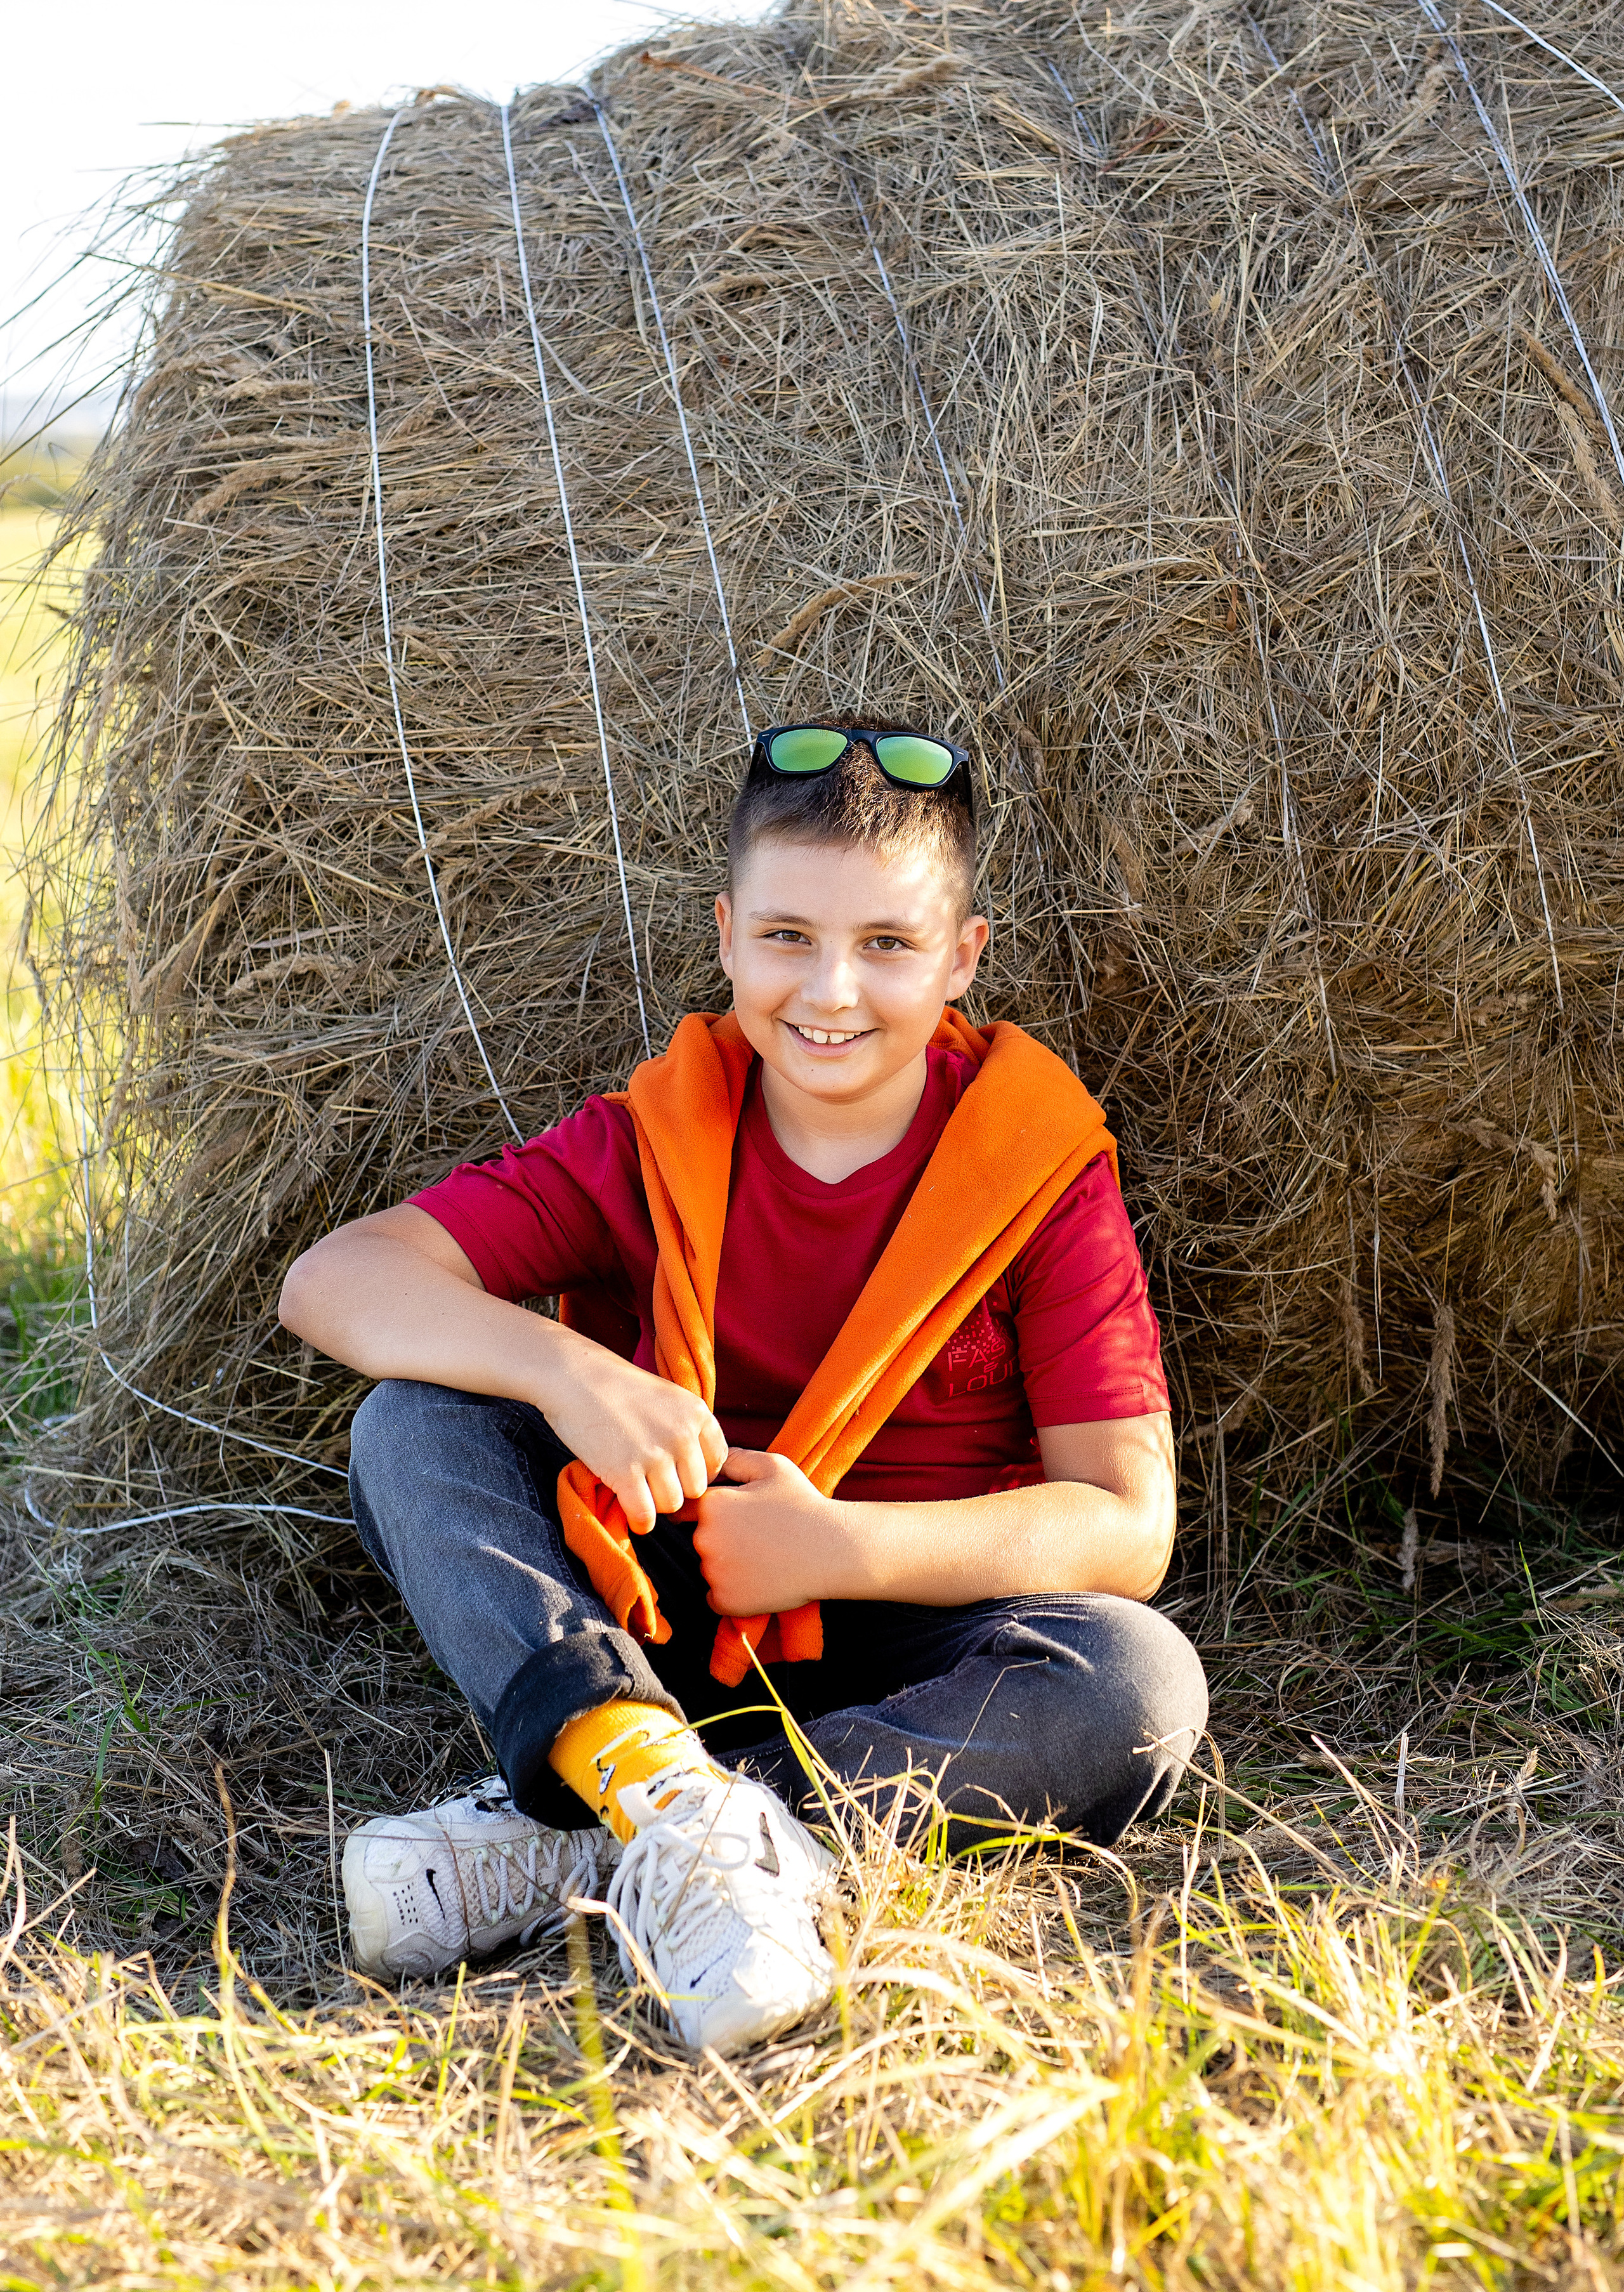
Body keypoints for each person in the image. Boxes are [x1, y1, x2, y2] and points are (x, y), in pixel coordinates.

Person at [278, 721, 1207, 2055]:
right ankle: (652, 1784)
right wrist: (568, 1370)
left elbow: (1124, 1519)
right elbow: (338, 1280)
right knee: (412, 1423)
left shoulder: (1039, 1170)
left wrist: (839, 1544)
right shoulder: (649, 1139)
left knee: (1135, 1683)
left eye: (887, 944)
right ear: (725, 937)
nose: (830, 988)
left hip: (910, 1641)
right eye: (786, 937)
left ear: (961, 957)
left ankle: (617, 1841)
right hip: (637, 1606)